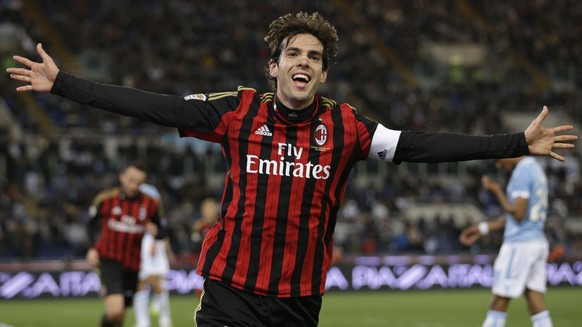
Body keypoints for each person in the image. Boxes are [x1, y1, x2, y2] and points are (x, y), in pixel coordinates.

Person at [7, 12, 576, 327]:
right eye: (295, 54)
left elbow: (422, 145)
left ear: (323, 74)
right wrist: (64, 85)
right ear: (274, 64)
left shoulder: (348, 128)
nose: (305, 62)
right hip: (230, 292)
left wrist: (515, 143)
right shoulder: (237, 111)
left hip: (299, 300)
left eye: (315, 58)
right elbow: (154, 106)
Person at [459, 156, 554, 327]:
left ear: (510, 152)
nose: (498, 164)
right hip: (537, 241)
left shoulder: (522, 172)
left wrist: (496, 191)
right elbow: (518, 214)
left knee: (499, 302)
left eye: (498, 158)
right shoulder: (536, 169)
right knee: (535, 303)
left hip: (519, 245)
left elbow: (517, 213)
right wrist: (483, 228)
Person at [84, 163, 162, 327]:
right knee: (115, 310)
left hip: (133, 265)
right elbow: (90, 224)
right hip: (109, 259)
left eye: (138, 183)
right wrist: (92, 248)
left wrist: (156, 232)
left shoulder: (151, 204)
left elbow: (162, 230)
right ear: (122, 177)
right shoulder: (106, 199)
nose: (134, 186)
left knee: (119, 316)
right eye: (131, 180)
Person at [134, 184, 174, 327]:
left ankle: (164, 318)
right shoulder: (135, 214)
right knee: (140, 286)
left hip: (156, 253)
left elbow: (164, 234)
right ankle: (142, 321)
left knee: (158, 285)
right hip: (140, 252)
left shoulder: (158, 217)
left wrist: (167, 251)